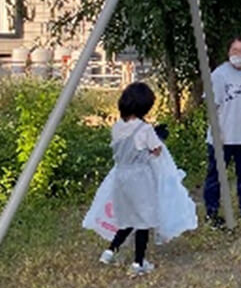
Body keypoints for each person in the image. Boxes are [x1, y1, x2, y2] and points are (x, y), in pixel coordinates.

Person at [83, 82, 196, 275]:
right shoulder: (144, 130)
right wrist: (159, 137)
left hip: (120, 177)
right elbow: (156, 151)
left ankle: (109, 251)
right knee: (144, 220)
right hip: (140, 178)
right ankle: (138, 262)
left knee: (127, 218)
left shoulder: (117, 127)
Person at [204, 36, 241, 227]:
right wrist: (217, 132)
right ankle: (211, 213)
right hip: (222, 137)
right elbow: (212, 106)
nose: (239, 55)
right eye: (235, 51)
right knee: (216, 177)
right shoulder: (219, 75)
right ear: (229, 52)